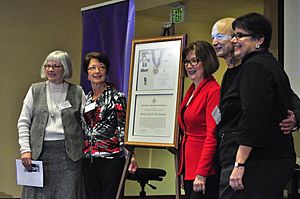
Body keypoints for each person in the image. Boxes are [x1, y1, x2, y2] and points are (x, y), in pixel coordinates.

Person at [215, 13, 296, 199]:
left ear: (259, 39)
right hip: (269, 159)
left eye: (240, 35)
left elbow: (254, 117)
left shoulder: (255, 67)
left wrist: (239, 163)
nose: (234, 40)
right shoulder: (269, 64)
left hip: (256, 161)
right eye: (233, 35)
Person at [211, 17, 300, 135]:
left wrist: (296, 118)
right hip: (230, 145)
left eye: (220, 36)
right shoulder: (228, 75)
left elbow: (289, 98)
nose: (214, 42)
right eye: (213, 37)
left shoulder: (254, 69)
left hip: (252, 147)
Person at [17, 50, 86, 199]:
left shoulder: (78, 92)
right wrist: (25, 150)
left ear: (65, 68)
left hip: (69, 156)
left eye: (56, 66)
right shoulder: (35, 90)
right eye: (47, 66)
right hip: (39, 154)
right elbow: (23, 122)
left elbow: (86, 123)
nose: (50, 69)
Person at [82, 51, 136, 199]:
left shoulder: (117, 97)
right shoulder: (85, 99)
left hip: (111, 160)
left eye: (101, 67)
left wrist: (131, 156)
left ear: (106, 71)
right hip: (89, 159)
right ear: (87, 73)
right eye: (92, 68)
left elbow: (122, 128)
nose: (97, 71)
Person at [177, 41, 220, 199]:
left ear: (207, 62)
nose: (189, 66)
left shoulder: (213, 91)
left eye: (194, 60)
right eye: (187, 62)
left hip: (204, 168)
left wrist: (201, 173)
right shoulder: (192, 91)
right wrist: (183, 170)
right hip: (189, 166)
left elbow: (212, 135)